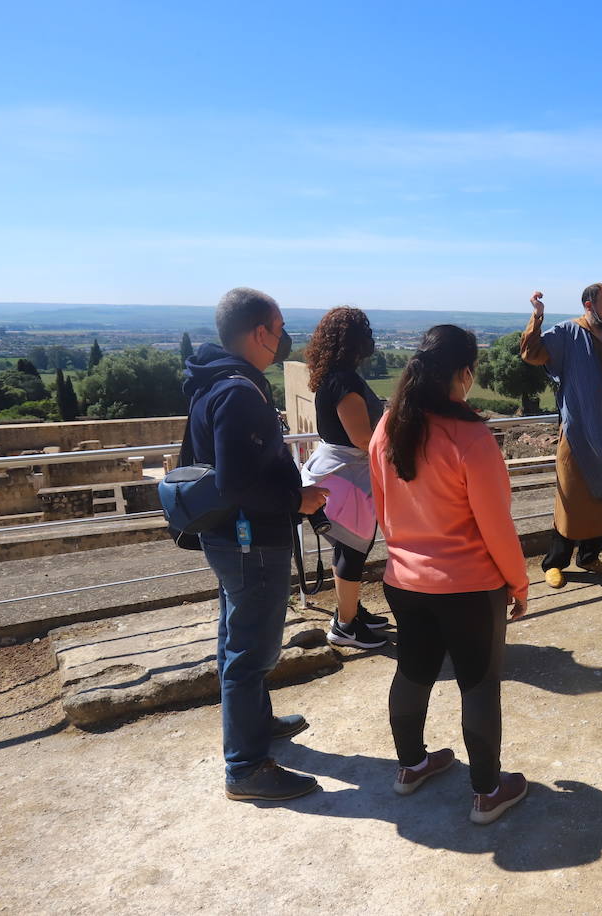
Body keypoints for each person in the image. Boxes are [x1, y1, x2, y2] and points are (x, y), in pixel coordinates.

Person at [370, 324, 531, 825]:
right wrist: (518, 583)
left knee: (413, 673)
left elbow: (382, 508)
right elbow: (495, 523)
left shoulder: (389, 426)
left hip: (404, 579)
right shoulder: (470, 436)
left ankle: (411, 765)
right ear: (464, 373)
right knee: (479, 685)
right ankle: (487, 791)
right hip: (468, 586)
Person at [182, 287, 329, 802]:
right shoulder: (239, 392)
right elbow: (238, 483)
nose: (285, 336)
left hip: (227, 536)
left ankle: (257, 726)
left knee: (235, 639)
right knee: (252, 651)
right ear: (260, 332)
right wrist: (299, 498)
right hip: (249, 539)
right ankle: (245, 769)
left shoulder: (213, 379)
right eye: (281, 325)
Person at [520, 285, 602, 588]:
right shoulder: (566, 333)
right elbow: (531, 354)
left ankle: (589, 557)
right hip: (578, 431)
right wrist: (538, 316)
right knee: (571, 497)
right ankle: (554, 563)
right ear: (590, 305)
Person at [301, 306, 389, 650]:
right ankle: (346, 626)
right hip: (347, 475)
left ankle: (350, 611)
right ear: (357, 340)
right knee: (352, 551)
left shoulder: (331, 376)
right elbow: (362, 439)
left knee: (350, 550)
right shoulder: (345, 381)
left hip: (336, 470)